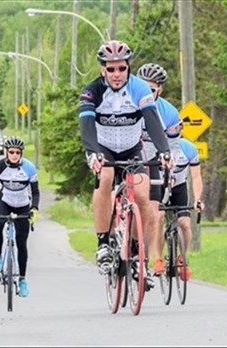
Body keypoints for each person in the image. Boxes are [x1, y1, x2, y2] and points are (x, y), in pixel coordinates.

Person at [78, 40, 173, 288]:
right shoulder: (92, 91)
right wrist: (92, 153)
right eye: (111, 69)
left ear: (128, 67)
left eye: (121, 68)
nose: (117, 74)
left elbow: (152, 120)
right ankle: (102, 244)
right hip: (105, 148)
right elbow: (87, 126)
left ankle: (132, 251)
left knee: (142, 196)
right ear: (102, 70)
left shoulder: (140, 89)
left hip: (132, 149)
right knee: (106, 180)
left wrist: (164, 151)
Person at [136, 62, 182, 275]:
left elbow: (173, 147)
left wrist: (170, 173)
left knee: (154, 214)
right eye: (142, 87)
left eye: (151, 90)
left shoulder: (169, 112)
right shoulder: (128, 105)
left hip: (154, 161)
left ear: (160, 90)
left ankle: (151, 259)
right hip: (131, 160)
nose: (146, 93)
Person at [0, 136, 39, 298]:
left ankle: (22, 279)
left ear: (21, 153)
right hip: (5, 200)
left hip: (22, 204)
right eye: (11, 152)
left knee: (22, 243)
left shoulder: (29, 168)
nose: (14, 155)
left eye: (17, 152)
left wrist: (34, 209)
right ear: (6, 152)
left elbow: (35, 192)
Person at [159, 121, 204, 281]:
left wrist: (198, 199)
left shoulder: (188, 148)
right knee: (159, 218)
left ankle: (182, 258)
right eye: (170, 128)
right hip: (160, 187)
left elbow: (196, 176)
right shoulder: (157, 146)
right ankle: (158, 259)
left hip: (179, 187)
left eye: (177, 128)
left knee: (184, 223)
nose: (173, 131)